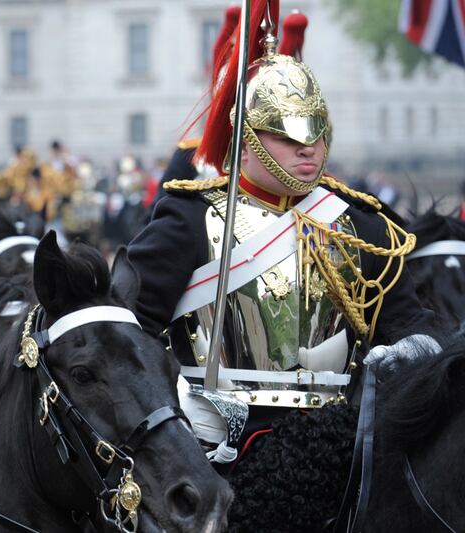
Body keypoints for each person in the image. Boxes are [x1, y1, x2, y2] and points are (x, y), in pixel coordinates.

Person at [127, 3, 439, 464]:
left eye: (315, 134)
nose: (307, 149)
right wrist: (171, 398)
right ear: (246, 138)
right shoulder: (190, 220)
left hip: (340, 441)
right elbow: (128, 328)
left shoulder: (361, 223)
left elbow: (407, 319)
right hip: (216, 443)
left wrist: (411, 349)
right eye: (287, 137)